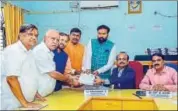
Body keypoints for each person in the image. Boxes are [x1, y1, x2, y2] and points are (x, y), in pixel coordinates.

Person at [1, 24, 43, 110]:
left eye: (36, 35)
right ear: (20, 36)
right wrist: (25, 103)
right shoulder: (13, 51)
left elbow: (29, 75)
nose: (34, 37)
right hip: (13, 102)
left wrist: (35, 92)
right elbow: (11, 79)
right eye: (30, 34)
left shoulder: (30, 52)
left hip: (25, 102)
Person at [33, 29, 72, 97]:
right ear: (45, 38)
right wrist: (69, 80)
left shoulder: (50, 52)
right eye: (53, 39)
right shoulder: (40, 51)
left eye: (57, 40)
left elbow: (66, 72)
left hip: (48, 92)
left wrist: (72, 78)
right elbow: (53, 74)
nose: (55, 42)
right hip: (39, 93)